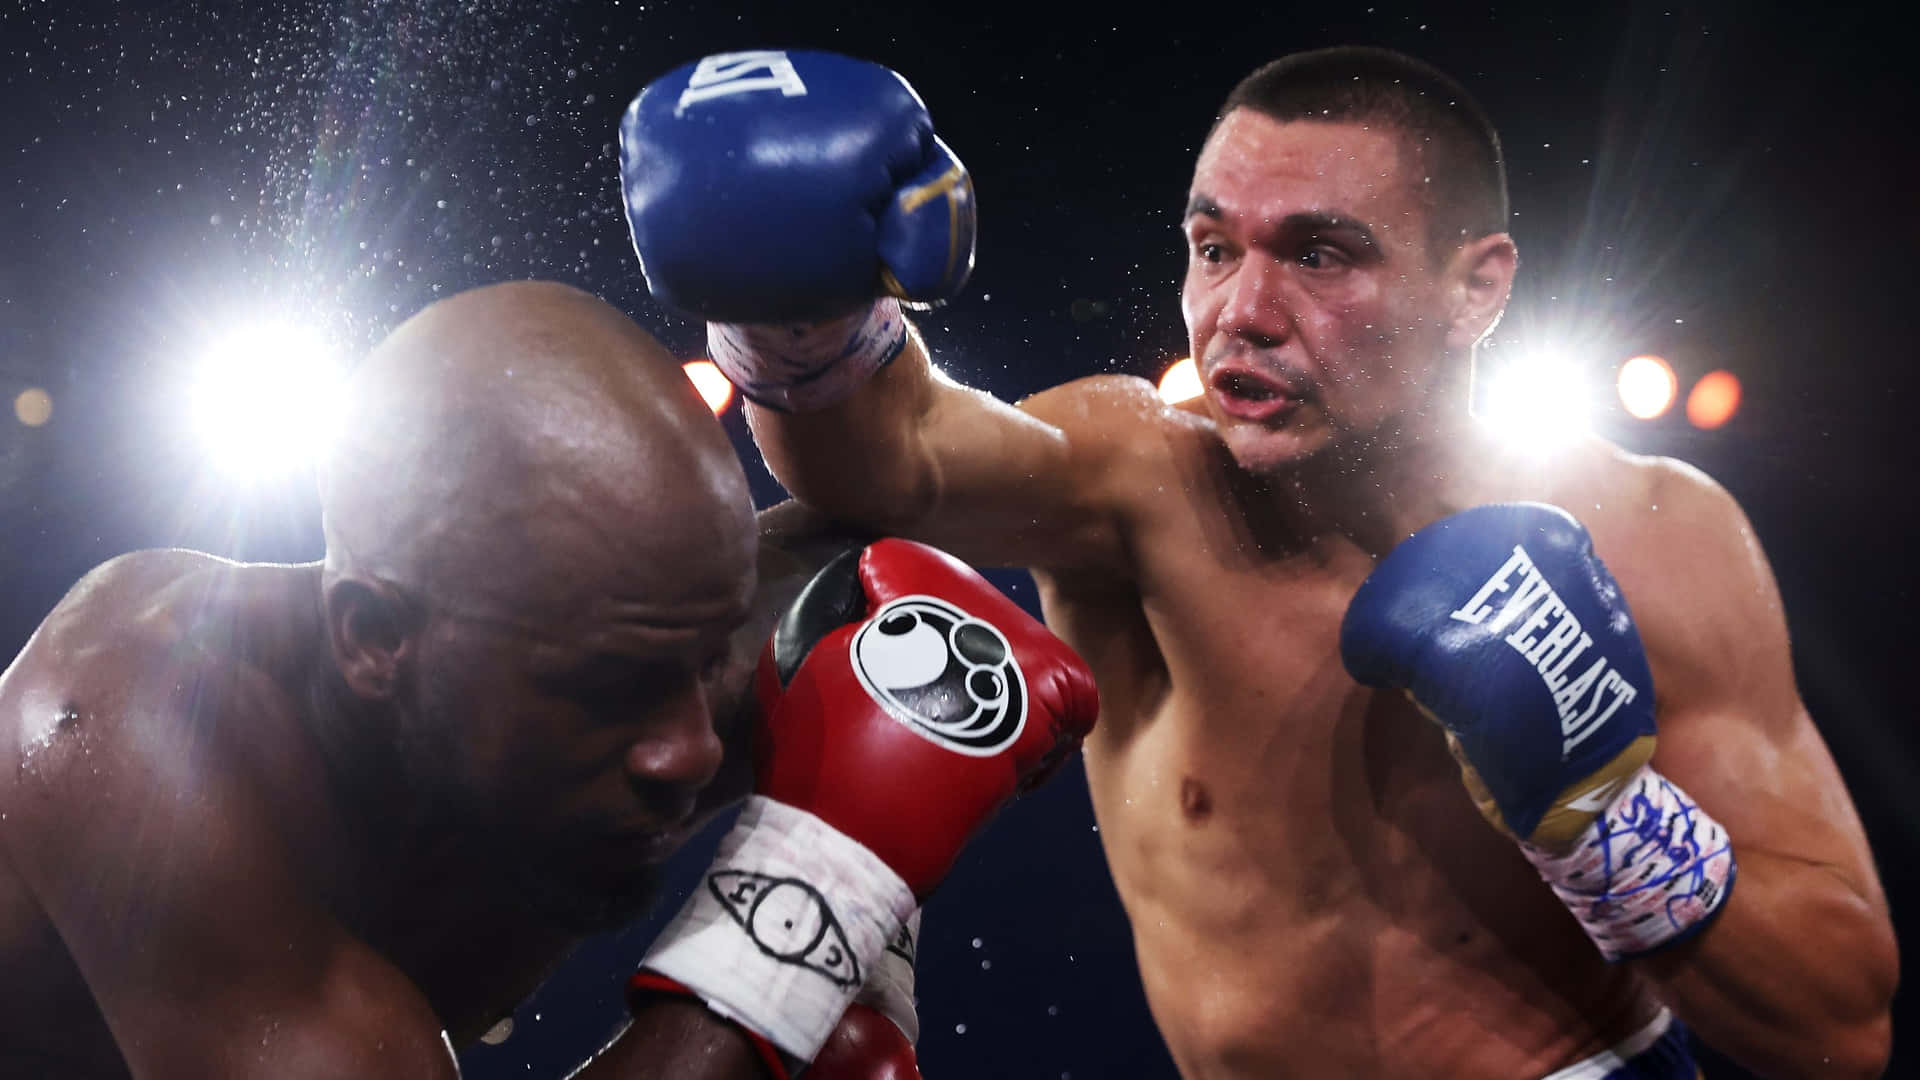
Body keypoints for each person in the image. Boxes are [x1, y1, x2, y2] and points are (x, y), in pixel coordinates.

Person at [617, 46, 1899, 1078]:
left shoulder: (1654, 531)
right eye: (1215, 247)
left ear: (1478, 287)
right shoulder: (1141, 479)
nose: (1243, 310)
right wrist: (790, 305)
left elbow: (1842, 1025)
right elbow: (889, 462)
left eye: (1321, 253)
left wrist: (1607, 826)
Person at [0, 279, 1097, 1078]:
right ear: (376, 637)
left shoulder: (628, 631)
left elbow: (938, 497)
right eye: (614, 688)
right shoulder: (138, 739)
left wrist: (805, 311)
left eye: (708, 652)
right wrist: (812, 907)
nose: (692, 750)